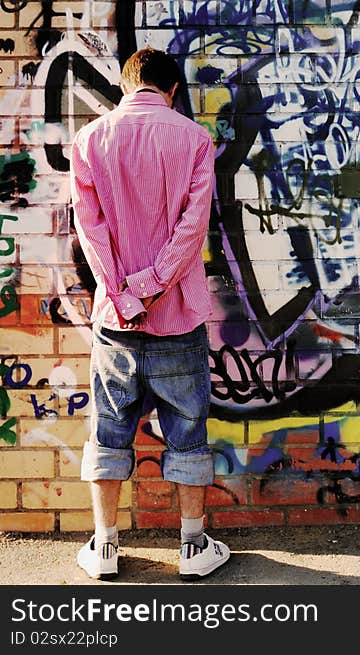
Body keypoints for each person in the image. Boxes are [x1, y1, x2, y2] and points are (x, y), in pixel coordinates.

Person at [69, 47, 229, 581]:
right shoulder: (194, 140)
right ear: (173, 90)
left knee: (109, 430)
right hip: (177, 317)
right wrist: (154, 285)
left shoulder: (89, 140)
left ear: (125, 84)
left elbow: (90, 235)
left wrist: (123, 291)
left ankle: (105, 546)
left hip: (116, 321)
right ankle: (192, 547)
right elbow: (193, 228)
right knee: (187, 429)